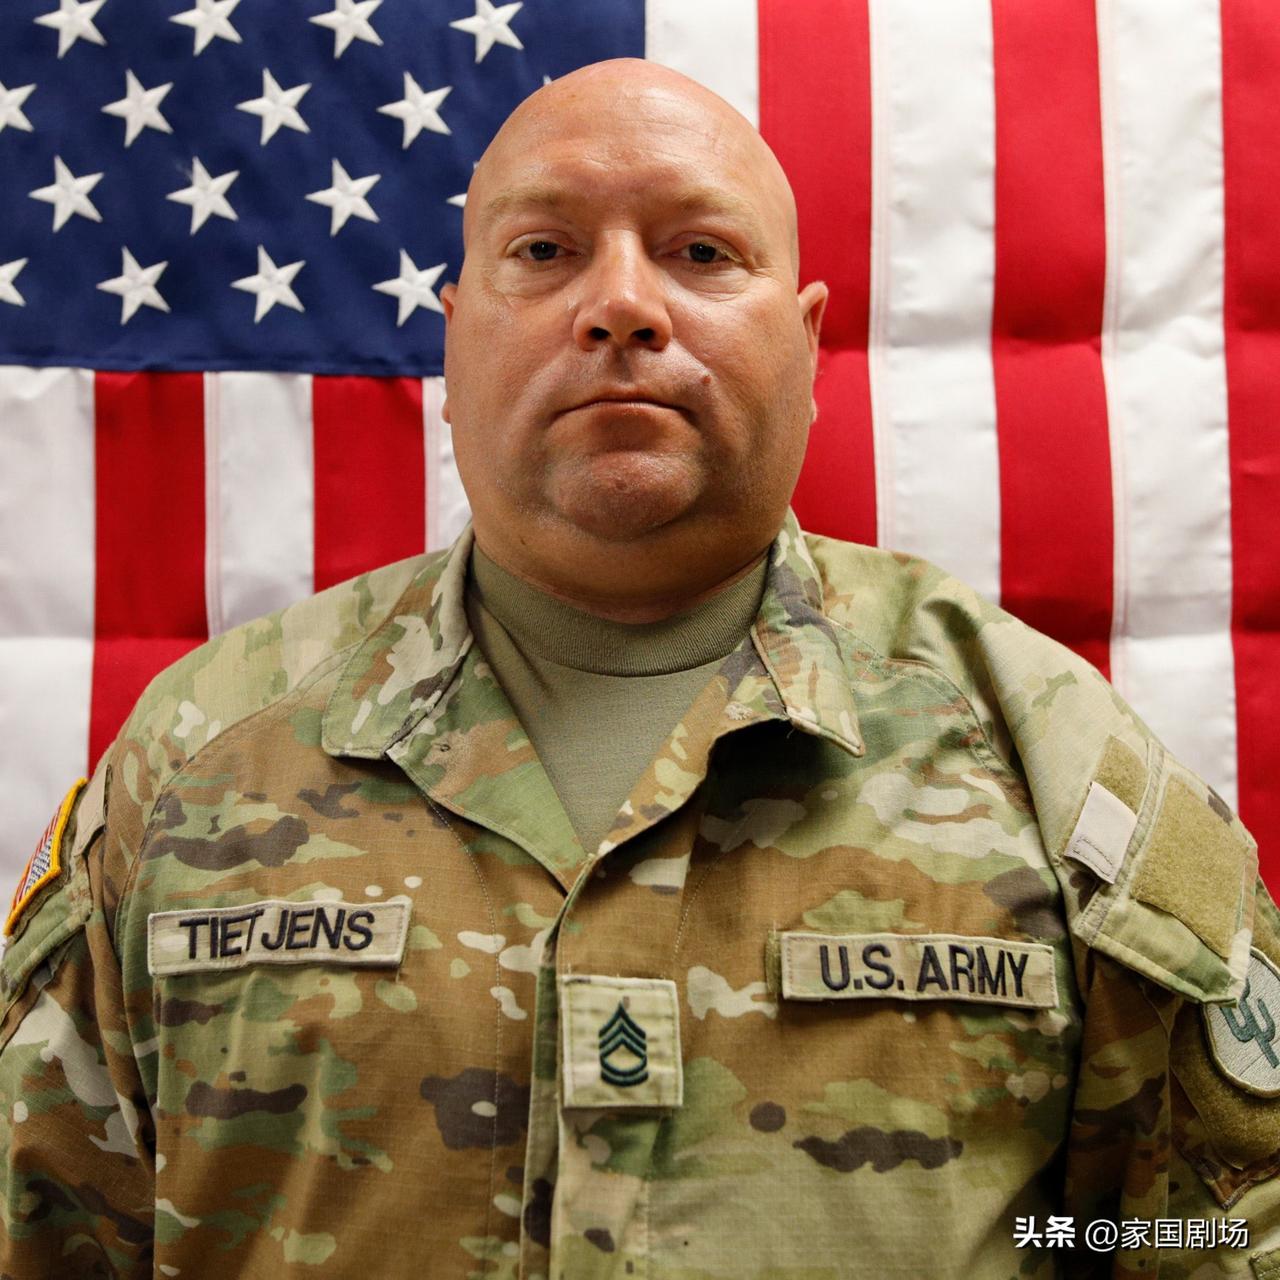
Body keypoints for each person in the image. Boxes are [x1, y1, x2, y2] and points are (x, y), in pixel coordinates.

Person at [1, 57, 1276, 1279]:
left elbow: (1200, 1242)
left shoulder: (1044, 753)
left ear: (806, 344)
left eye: (700, 252)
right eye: (543, 251)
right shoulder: (200, 755)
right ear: (451, 345)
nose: (621, 304)